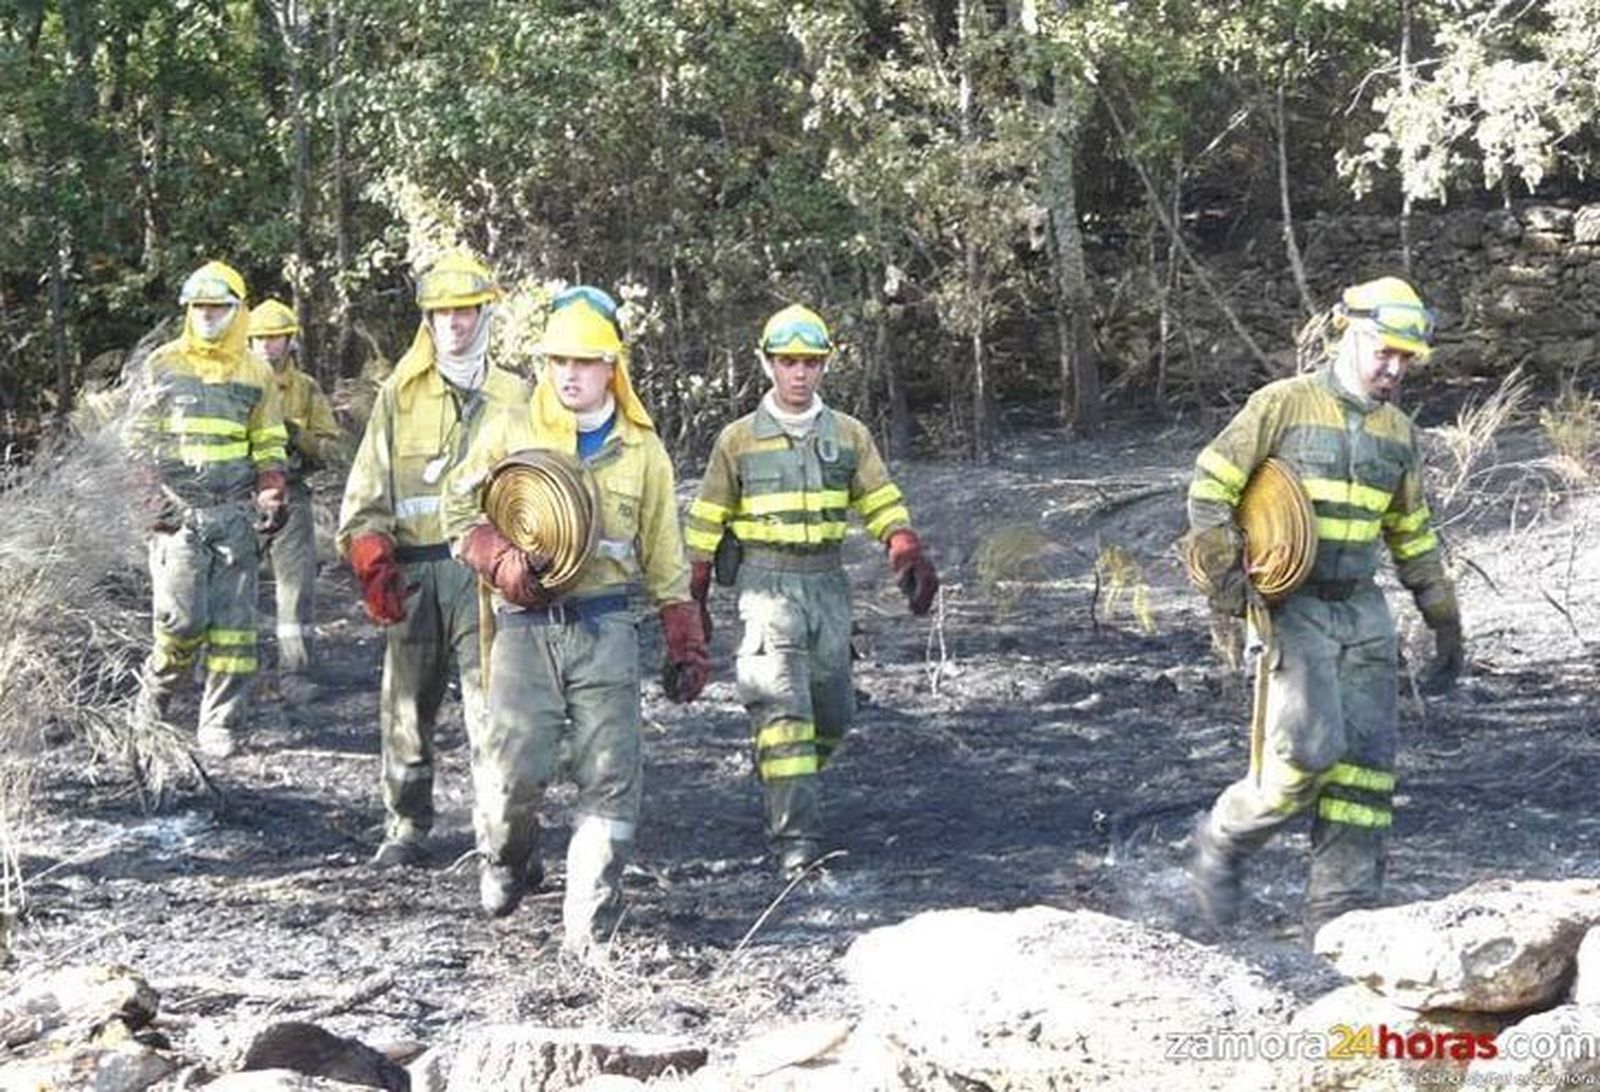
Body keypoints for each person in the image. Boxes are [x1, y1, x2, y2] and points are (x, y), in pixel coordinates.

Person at [1182, 275, 1464, 939]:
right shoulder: (1282, 404)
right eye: (1385, 352)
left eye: (1407, 358)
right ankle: (1223, 838)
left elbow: (1411, 529)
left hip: (1362, 611)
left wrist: (1441, 611)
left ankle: (1341, 920)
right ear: (1349, 334)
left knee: (1366, 772)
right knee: (1307, 757)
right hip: (1295, 608)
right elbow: (1211, 484)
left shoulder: (1398, 432)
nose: (1395, 369)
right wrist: (1227, 574)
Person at [441, 285, 708, 950]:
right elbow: (455, 512)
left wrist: (684, 633)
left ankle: (588, 927)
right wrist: (499, 560)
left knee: (612, 777)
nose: (569, 374)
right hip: (524, 632)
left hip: (606, 627)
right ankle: (510, 859)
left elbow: (664, 553)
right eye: (557, 361)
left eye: (584, 362)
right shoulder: (509, 430)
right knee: (513, 773)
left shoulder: (642, 450)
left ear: (611, 367)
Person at [683, 304, 939, 879]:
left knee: (834, 710)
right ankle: (797, 841)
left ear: (825, 365)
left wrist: (903, 545)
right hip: (765, 586)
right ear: (768, 364)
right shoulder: (739, 440)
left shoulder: (848, 435)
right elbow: (706, 517)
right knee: (784, 710)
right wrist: (691, 596)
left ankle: (782, 778)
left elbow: (878, 498)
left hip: (827, 584)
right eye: (787, 362)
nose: (799, 374)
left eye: (810, 362)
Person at [336, 252, 530, 868]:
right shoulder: (399, 397)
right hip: (416, 574)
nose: (454, 324)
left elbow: (543, 488)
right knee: (407, 706)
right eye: (442, 313)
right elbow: (366, 495)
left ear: (484, 316)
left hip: (484, 575)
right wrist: (372, 559)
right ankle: (406, 826)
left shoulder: (517, 396)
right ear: (427, 320)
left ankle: (495, 835)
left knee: (490, 706)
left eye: (465, 312)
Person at [128, 260, 289, 759]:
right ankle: (152, 705)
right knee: (181, 624)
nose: (207, 315)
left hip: (234, 517)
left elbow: (268, 440)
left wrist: (271, 490)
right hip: (178, 519)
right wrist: (147, 497)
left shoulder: (256, 372)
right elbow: (135, 439)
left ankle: (220, 723)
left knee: (236, 630)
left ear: (237, 311)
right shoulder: (163, 364)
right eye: (199, 307)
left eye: (218, 307)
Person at [247, 298, 343, 708]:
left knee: (295, 592)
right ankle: (231, 675)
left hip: (293, 496)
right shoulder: (235, 382)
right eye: (261, 338)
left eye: (276, 338)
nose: (269, 346)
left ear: (290, 341)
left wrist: (294, 433)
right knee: (232, 590)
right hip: (240, 499)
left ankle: (295, 675)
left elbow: (328, 449)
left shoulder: (305, 389)